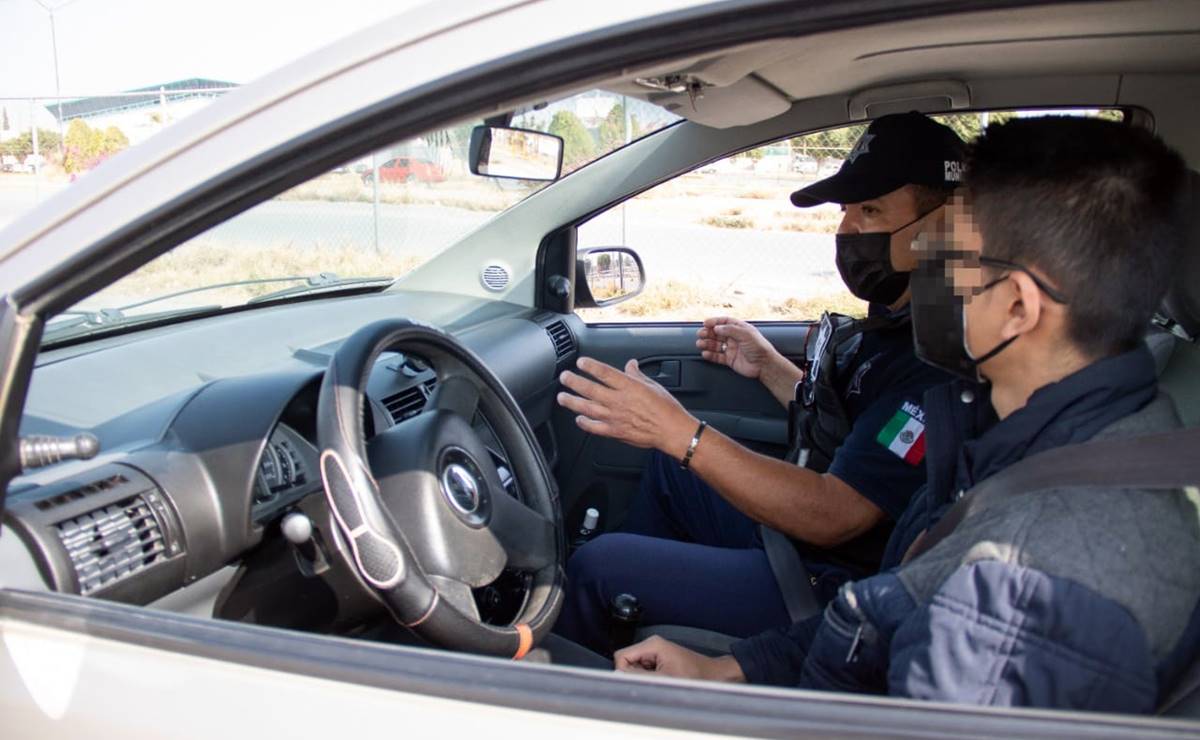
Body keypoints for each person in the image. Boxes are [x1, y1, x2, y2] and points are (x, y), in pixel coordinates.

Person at [611, 116, 1200, 713]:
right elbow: (895, 602)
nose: (932, 276)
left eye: (955, 258)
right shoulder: (1061, 438)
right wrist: (729, 669)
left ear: (1018, 306)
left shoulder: (1011, 599)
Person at [554, 113, 962, 655]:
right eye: (845, 211)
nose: (847, 231)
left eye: (871, 211)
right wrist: (770, 367)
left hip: (831, 584)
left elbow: (836, 515)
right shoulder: (894, 319)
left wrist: (680, 431)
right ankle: (645, 626)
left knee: (596, 566)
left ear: (943, 224)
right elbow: (855, 431)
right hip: (801, 544)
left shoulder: (940, 355)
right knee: (667, 471)